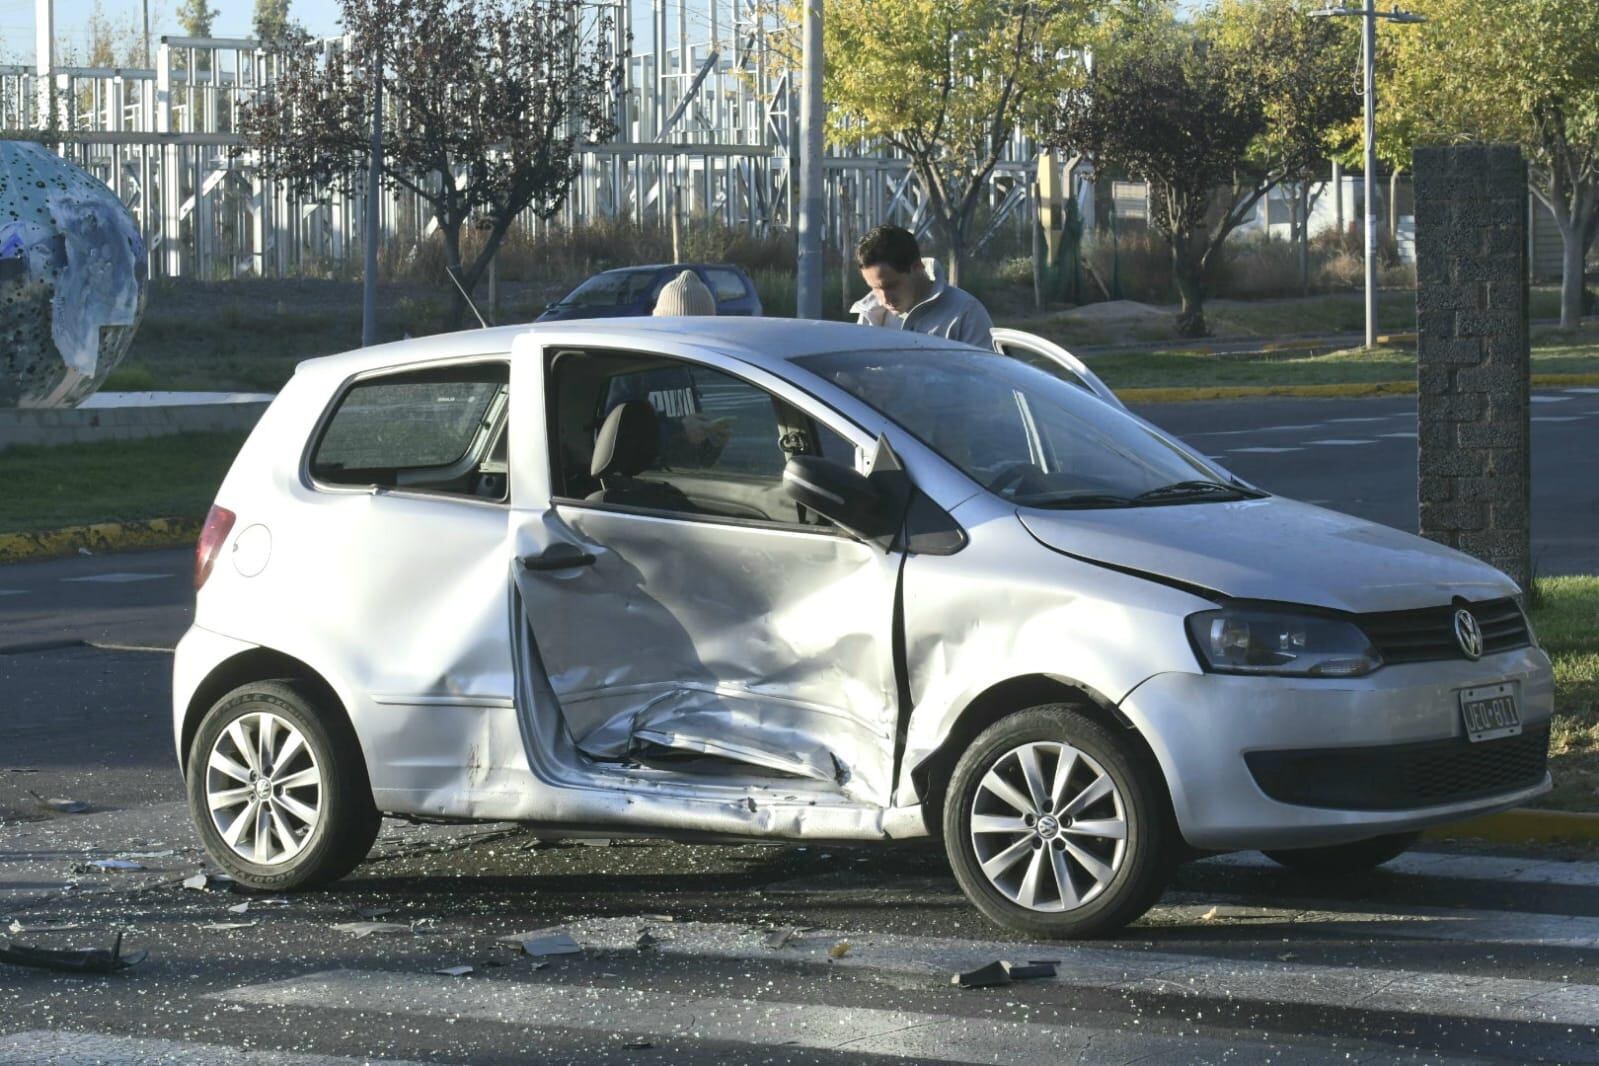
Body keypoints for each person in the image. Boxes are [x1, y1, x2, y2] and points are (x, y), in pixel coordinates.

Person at [851, 225, 994, 349]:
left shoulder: (966, 314)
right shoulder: (870, 313)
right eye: (874, 288)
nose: (884, 299)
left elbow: (985, 375)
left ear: (917, 267)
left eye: (891, 286)